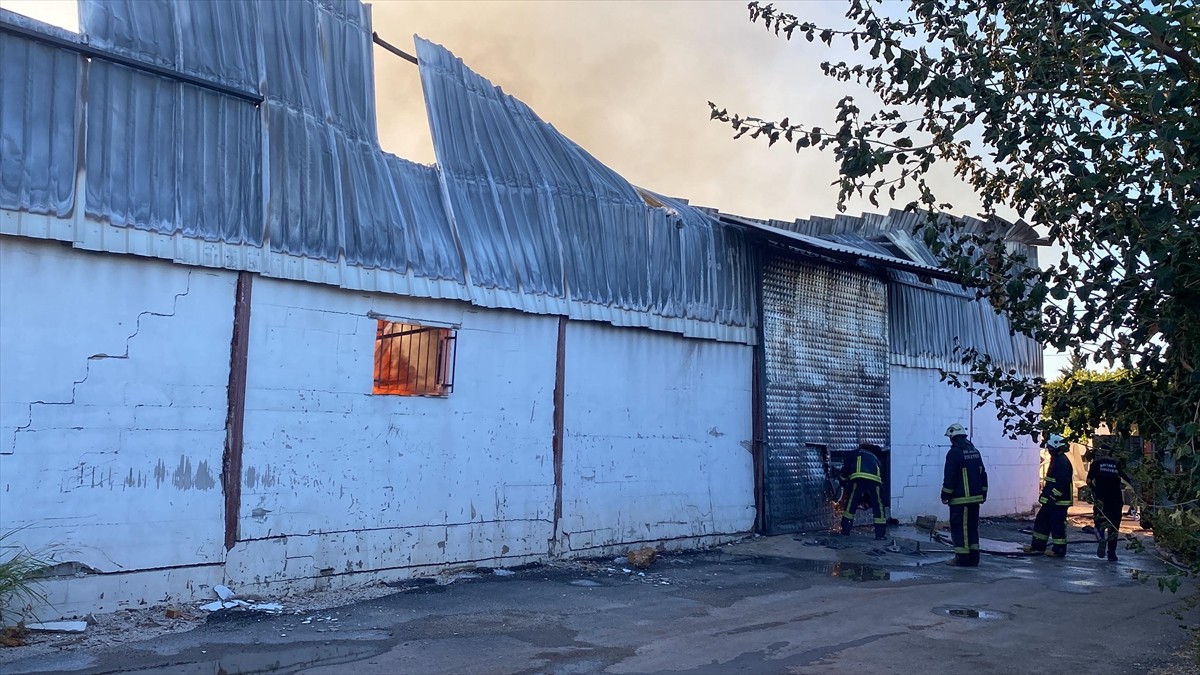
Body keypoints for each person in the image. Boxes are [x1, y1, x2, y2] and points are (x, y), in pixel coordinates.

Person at [941, 423, 988, 567]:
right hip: (976, 498)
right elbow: (983, 473)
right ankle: (974, 558)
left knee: (960, 528)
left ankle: (962, 558)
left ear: (953, 438)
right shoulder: (975, 451)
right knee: (972, 528)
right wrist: (984, 492)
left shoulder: (954, 453)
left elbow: (950, 476)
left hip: (960, 499)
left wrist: (945, 494)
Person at [1025, 433, 1073, 558]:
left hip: (1059, 502)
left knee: (1057, 524)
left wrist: (1052, 497)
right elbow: (1051, 481)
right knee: (1042, 521)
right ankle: (1038, 546)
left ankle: (1059, 550)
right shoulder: (1056, 459)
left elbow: (1062, 482)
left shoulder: (1062, 462)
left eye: (1050, 448)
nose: (1049, 451)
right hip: (1051, 500)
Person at [1087, 447, 1132, 562]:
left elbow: (1088, 481)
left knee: (1098, 523)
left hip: (1101, 499)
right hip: (1116, 500)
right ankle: (1112, 554)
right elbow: (1127, 481)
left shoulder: (1096, 464)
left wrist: (1093, 490)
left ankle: (1101, 538)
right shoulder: (1117, 464)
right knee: (1114, 528)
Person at [839, 443, 887, 540]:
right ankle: (880, 534)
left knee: (851, 503)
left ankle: (845, 530)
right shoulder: (875, 458)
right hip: (875, 481)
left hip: (858, 478)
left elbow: (846, 469)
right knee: (878, 506)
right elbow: (882, 474)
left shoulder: (855, 453)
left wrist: (843, 480)